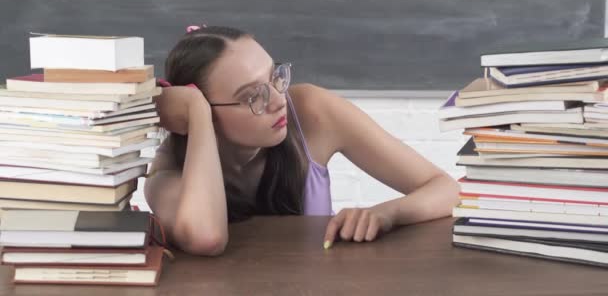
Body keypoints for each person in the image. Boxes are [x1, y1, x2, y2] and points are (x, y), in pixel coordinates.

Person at [145, 25, 460, 256]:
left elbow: (447, 188)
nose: (278, 100)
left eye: (275, 76)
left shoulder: (311, 111)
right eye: (253, 95)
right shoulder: (170, 167)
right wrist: (196, 113)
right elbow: (206, 238)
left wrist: (386, 214)